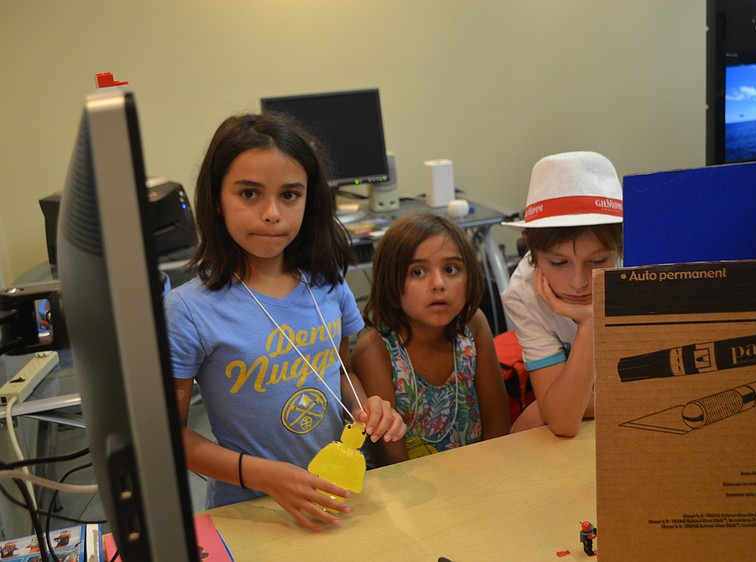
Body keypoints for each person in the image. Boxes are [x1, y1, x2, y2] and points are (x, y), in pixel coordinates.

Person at [164, 112, 407, 532]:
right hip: (252, 509)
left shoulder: (328, 284)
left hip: (345, 496)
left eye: (290, 195)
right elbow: (169, 437)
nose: (272, 213)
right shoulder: (188, 310)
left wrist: (366, 409)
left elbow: (341, 369)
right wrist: (261, 475)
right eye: (249, 194)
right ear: (216, 198)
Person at [351, 213, 511, 466]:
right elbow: (392, 461)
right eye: (418, 272)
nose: (438, 284)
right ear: (391, 283)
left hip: (482, 475)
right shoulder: (374, 350)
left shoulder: (473, 326)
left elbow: (498, 425)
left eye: (451, 269)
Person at [501, 152, 623, 437]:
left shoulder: (644, 268)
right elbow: (563, 420)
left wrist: (557, 405)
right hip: (607, 401)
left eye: (597, 261)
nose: (579, 282)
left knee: (536, 415)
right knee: (530, 422)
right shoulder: (523, 293)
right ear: (532, 251)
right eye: (558, 263)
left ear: (620, 249)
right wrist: (590, 323)